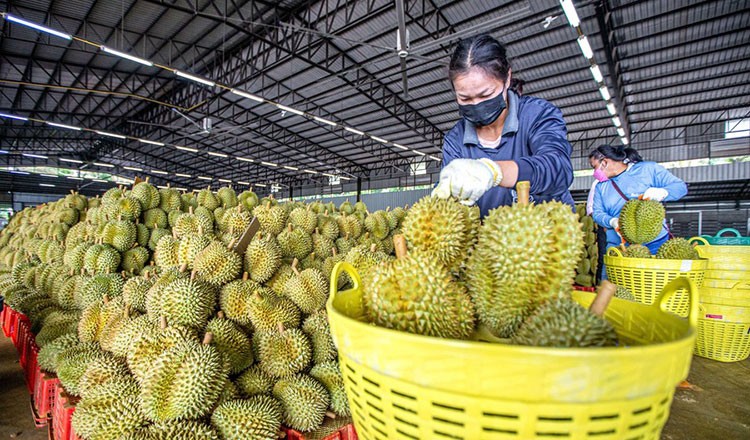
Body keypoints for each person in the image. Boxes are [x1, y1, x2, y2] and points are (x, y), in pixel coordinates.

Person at [431, 35, 574, 216]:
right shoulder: (456, 139)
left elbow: (558, 169)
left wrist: (494, 171)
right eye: (464, 98)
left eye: (486, 95)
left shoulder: (537, 115)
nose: (476, 104)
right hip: (491, 239)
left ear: (507, 79)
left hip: (548, 236)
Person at [589, 144, 687, 262]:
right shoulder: (601, 186)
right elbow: (597, 214)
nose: (594, 172)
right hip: (619, 245)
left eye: (594, 167)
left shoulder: (648, 170)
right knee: (612, 280)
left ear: (604, 162)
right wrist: (612, 221)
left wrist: (663, 192)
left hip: (655, 243)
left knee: (652, 279)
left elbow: (681, 187)